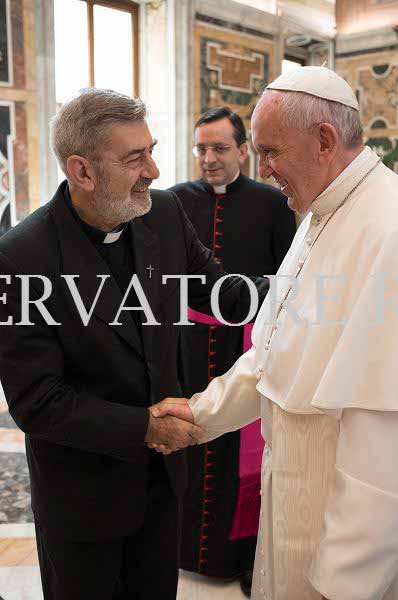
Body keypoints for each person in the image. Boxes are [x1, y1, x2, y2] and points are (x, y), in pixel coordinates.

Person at [0, 88, 269, 600]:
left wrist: (302, 284)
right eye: (134, 158)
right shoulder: (20, 258)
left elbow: (224, 294)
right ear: (82, 171)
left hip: (161, 489)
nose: (154, 170)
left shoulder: (162, 214)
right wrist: (147, 426)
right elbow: (38, 401)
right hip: (83, 500)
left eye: (151, 150)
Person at [149, 66, 398, 600]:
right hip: (291, 508)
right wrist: (199, 414)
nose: (262, 170)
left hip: (338, 549)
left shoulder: (390, 229)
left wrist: (343, 586)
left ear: (324, 141)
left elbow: (384, 447)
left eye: (270, 152)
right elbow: (271, 353)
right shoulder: (319, 212)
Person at [169, 107, 295, 596]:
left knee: (237, 456)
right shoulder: (174, 201)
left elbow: (287, 278)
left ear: (243, 151)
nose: (209, 158)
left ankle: (240, 556)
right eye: (201, 148)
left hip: (246, 347)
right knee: (188, 442)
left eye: (220, 148)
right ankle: (181, 551)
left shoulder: (272, 202)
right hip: (187, 345)